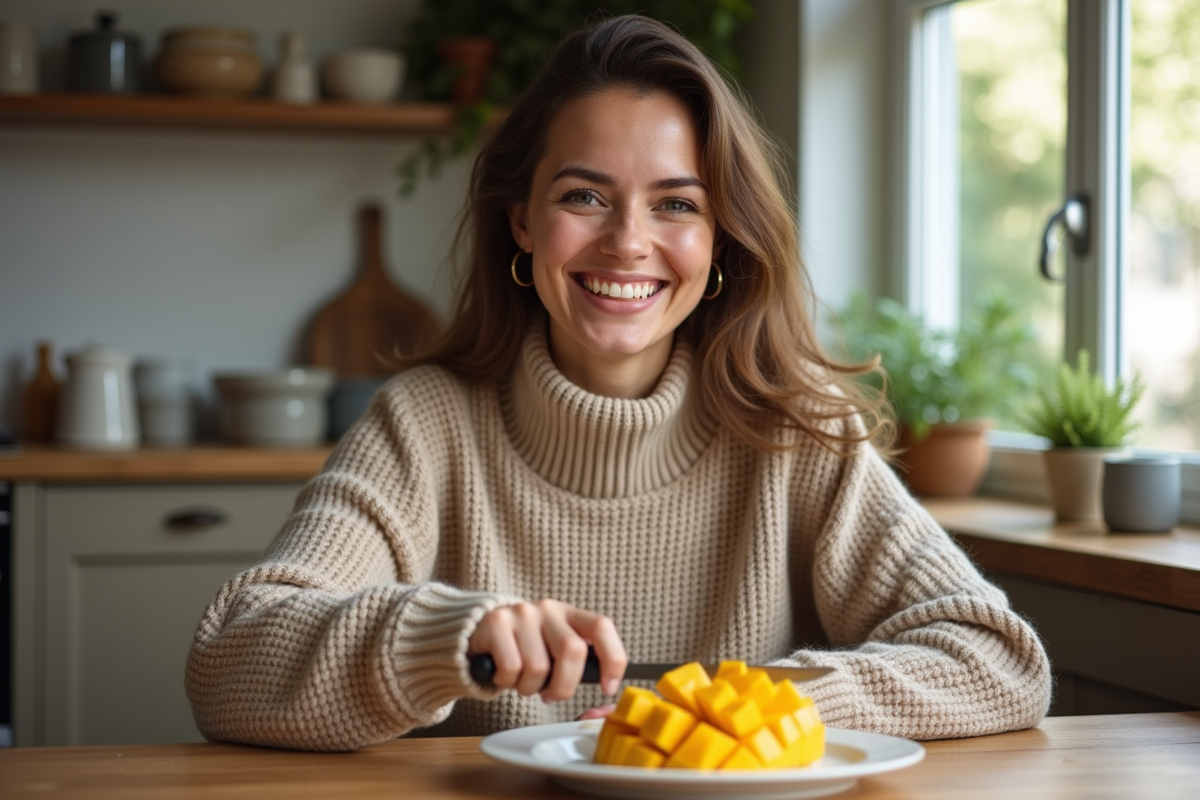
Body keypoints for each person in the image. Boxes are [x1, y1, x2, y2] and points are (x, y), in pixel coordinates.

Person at [185, 15, 1051, 752]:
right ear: (522, 219)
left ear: (721, 238)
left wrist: (742, 710)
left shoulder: (798, 434)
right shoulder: (425, 424)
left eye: (677, 204)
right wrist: (449, 638)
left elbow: (999, 660)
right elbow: (228, 663)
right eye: (584, 197)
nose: (628, 243)